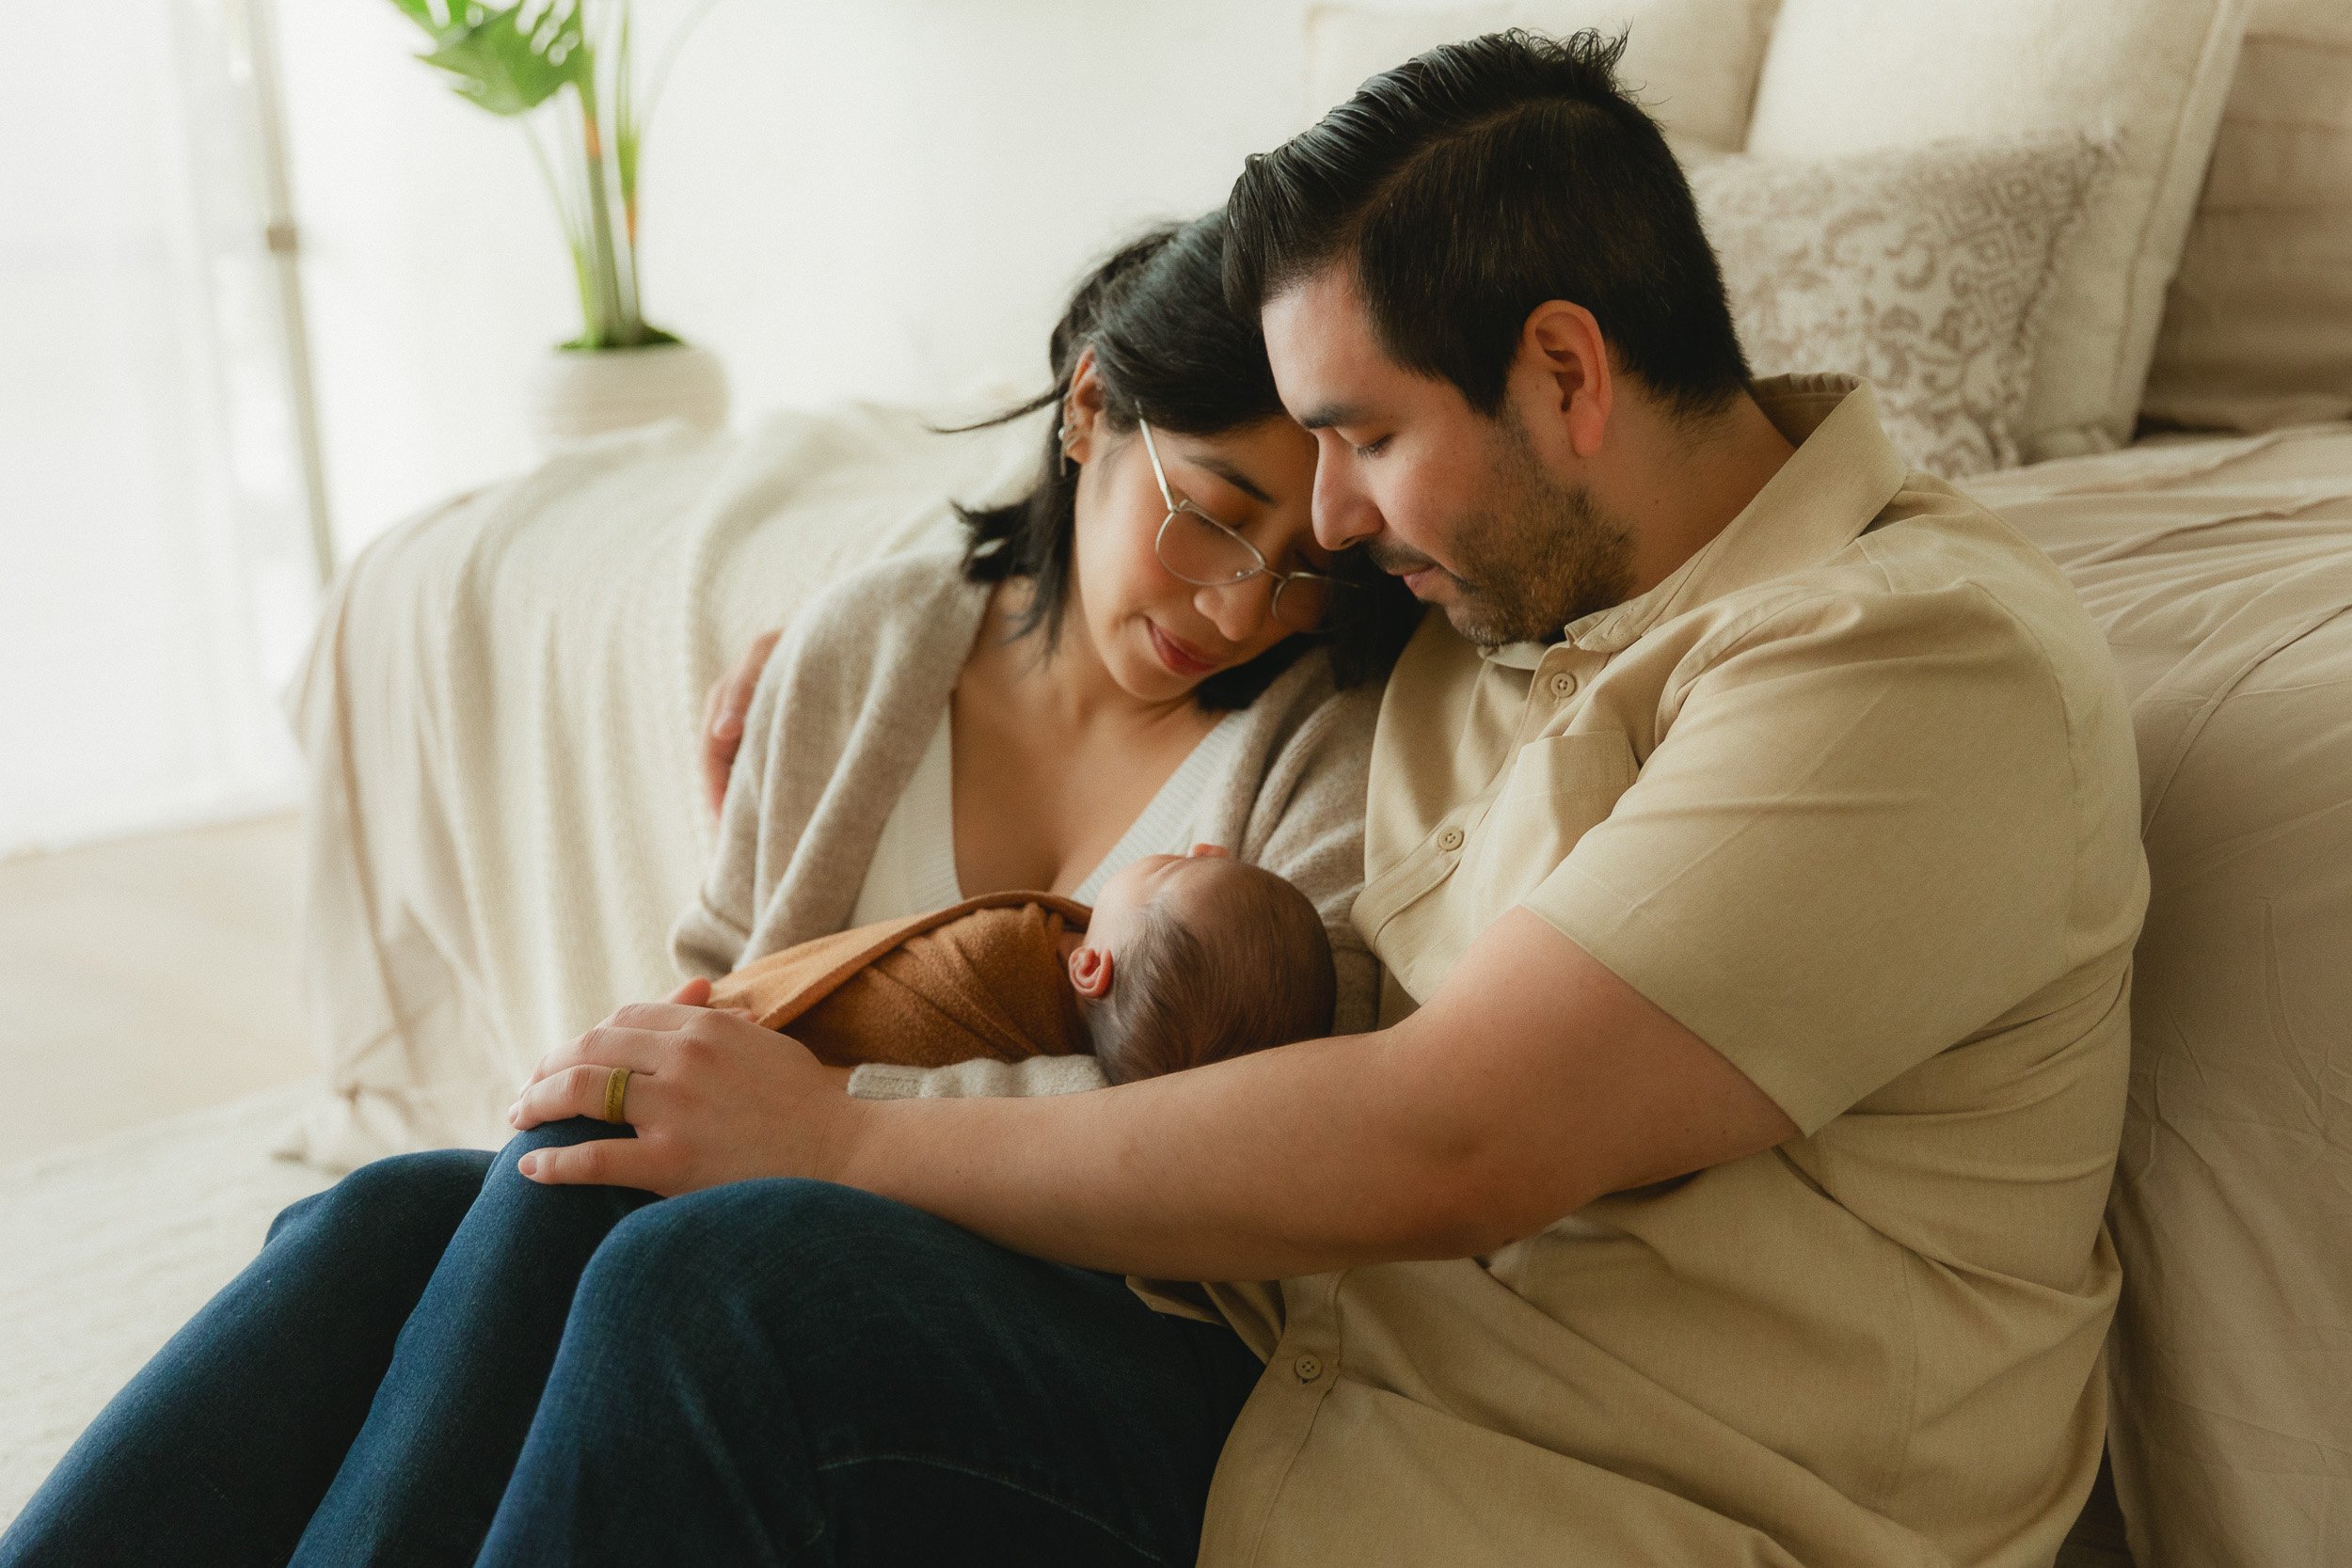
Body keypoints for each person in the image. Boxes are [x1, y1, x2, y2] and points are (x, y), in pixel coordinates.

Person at [463, 28, 2142, 1568]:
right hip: (1309, 1386)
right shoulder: (1496, 586)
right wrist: (885, 619)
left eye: (1365, 437)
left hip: (1593, 1499)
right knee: (486, 1204)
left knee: (726, 1295)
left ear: (1568, 375)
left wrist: (837, 1139)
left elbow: (1456, 1138)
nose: (1329, 525)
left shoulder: (1906, 669)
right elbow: (1134, 483)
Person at [0, 212, 1416, 1567]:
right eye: (1213, 518)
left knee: (647, 1230)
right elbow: (723, 982)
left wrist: (823, 1117)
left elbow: (1266, 1141)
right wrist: (719, 1097)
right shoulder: (869, 646)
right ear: (1090, 409)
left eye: (1305, 567)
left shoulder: (1325, 751)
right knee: (391, 1218)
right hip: (828, 1248)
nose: (1244, 607)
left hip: (1130, 1335)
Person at [706, 844, 1337, 1088]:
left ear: (1088, 968)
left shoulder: (1005, 956)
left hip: (741, 1046)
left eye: (1176, 867)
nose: (1206, 846)